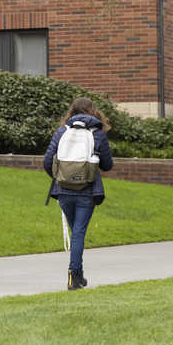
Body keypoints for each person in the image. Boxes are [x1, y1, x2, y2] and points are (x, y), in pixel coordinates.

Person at [43, 97, 114, 289]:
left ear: (71, 112)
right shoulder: (97, 134)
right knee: (79, 233)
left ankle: (78, 275)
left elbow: (47, 161)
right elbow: (107, 165)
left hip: (63, 191)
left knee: (77, 233)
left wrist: (59, 177)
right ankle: (74, 275)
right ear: (93, 110)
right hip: (87, 191)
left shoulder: (62, 131)